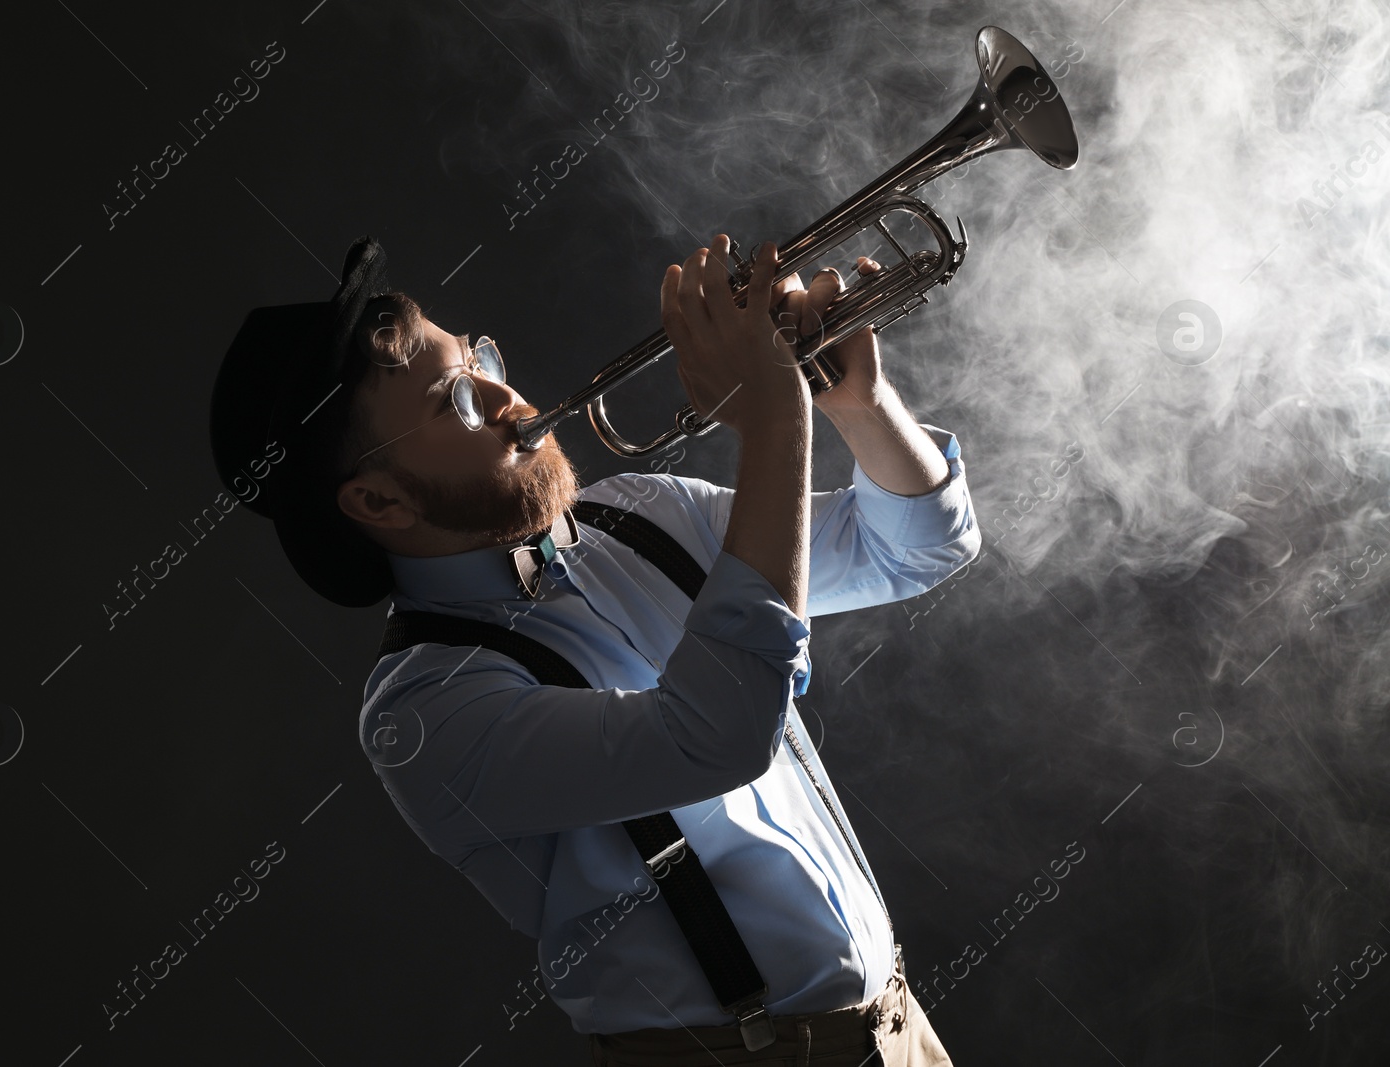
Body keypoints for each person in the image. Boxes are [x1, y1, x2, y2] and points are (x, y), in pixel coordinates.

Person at [208, 233, 975, 1065]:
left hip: (903, 1029)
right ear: (381, 499)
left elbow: (918, 546)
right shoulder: (425, 711)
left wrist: (857, 405)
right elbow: (717, 732)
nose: (506, 394)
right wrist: (775, 416)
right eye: (455, 400)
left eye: (480, 358)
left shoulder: (642, 511)